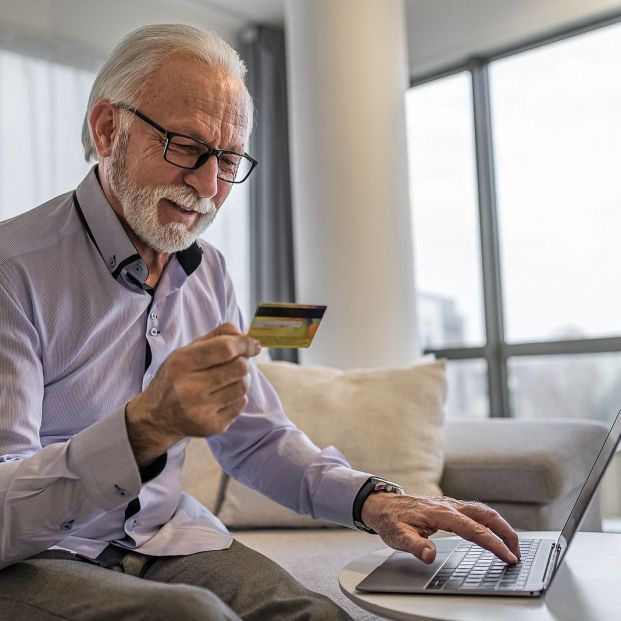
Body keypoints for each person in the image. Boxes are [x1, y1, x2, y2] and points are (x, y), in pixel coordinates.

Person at [0, 24, 519, 621]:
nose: (207, 186)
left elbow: (257, 437)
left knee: (318, 616)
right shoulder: (15, 272)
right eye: (184, 146)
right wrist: (143, 429)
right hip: (37, 553)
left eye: (227, 159)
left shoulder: (210, 273)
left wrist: (373, 499)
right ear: (108, 129)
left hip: (163, 537)